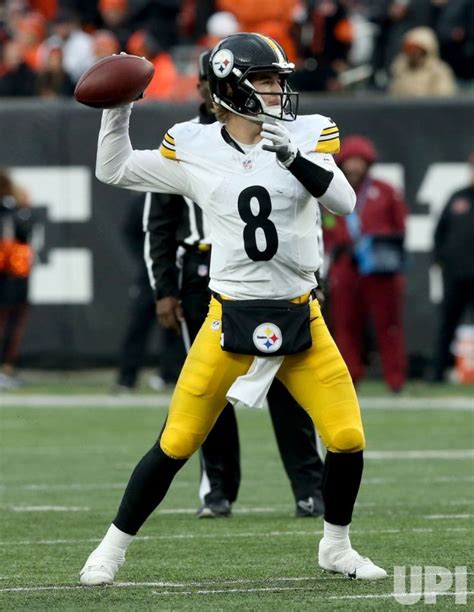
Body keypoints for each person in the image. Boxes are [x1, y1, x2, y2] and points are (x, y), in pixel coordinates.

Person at [80, 32, 387, 585]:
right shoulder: (195, 145)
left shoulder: (307, 133)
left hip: (300, 312)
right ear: (231, 87)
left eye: (279, 80)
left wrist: (293, 157)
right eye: (266, 80)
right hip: (228, 317)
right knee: (177, 441)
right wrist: (118, 109)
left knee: (346, 438)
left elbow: (343, 202)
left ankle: (336, 546)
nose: (277, 90)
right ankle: (111, 549)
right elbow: (114, 169)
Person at [145, 50, 325, 519]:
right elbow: (158, 223)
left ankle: (310, 487)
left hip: (275, 275)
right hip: (203, 274)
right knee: (210, 388)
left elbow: (307, 212)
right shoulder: (185, 142)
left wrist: (312, 275)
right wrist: (164, 287)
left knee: (289, 383)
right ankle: (217, 488)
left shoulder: (281, 133)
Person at [323, 135, 407, 393]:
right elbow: (326, 229)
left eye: (360, 162)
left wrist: (378, 243)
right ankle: (350, 377)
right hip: (345, 267)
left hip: (379, 267)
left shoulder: (385, 190)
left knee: (388, 325)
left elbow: (401, 228)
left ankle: (395, 379)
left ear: (369, 163)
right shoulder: (331, 192)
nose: (355, 167)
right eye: (350, 162)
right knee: (346, 326)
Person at [112, 194, 185, 392]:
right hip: (150, 275)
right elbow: (130, 232)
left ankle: (170, 375)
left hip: (176, 272)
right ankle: (127, 378)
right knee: (138, 326)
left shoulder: (182, 197)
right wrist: (145, 259)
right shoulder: (144, 201)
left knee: (175, 326)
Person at [431, 152, 474, 382]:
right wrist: (440, 260)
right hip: (456, 275)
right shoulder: (458, 198)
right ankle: (439, 371)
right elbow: (440, 232)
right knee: (448, 324)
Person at [0, 169, 34, 389]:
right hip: (8, 274)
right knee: (8, 322)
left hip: (13, 275)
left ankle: (7, 367)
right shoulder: (9, 210)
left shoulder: (14, 210)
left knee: (13, 321)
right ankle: (5, 368)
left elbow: (24, 233)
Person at [388, 26, 457, 96]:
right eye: (408, 48)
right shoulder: (400, 69)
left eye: (416, 48)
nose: (412, 52)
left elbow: (443, 98)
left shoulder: (439, 71)